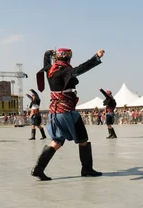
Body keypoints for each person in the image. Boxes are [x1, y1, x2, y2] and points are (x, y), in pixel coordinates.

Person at [31, 48, 105, 181]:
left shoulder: (50, 70)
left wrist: (47, 53)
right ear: (68, 58)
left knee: (57, 141)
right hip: (68, 113)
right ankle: (87, 169)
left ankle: (38, 168)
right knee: (83, 139)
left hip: (55, 113)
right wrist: (96, 57)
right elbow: (81, 68)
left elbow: (46, 63)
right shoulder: (66, 71)